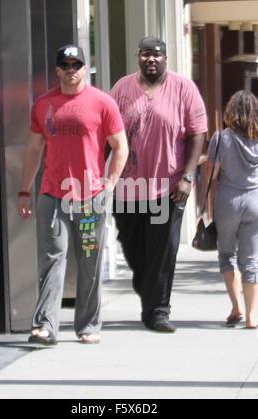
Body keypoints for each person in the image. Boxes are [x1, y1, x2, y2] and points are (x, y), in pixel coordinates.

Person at [18, 44, 128, 346]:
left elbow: (121, 147)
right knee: (53, 257)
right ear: (57, 70)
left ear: (84, 68)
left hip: (90, 198)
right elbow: (33, 149)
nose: (71, 70)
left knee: (89, 259)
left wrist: (109, 185)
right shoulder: (43, 104)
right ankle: (45, 326)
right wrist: (25, 190)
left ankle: (88, 324)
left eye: (76, 65)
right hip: (52, 195)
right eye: (65, 65)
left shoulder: (102, 103)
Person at [110, 36, 207, 333]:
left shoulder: (184, 88)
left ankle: (158, 311)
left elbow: (197, 134)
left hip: (168, 188)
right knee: (132, 247)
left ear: (165, 59)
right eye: (145, 54)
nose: (151, 59)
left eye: (157, 55)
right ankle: (149, 293)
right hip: (128, 188)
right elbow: (109, 135)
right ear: (137, 58)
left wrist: (187, 177)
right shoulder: (121, 88)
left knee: (162, 250)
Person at [209, 90, 258, 329]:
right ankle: (252, 317)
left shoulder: (221, 138)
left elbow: (212, 174)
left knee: (226, 255)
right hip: (257, 200)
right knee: (251, 261)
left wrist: (209, 206)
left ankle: (236, 307)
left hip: (228, 200)